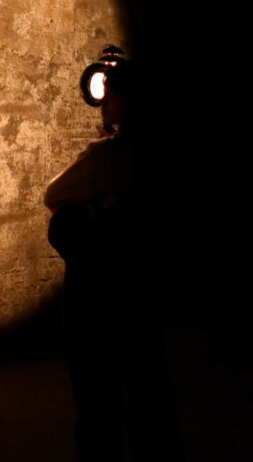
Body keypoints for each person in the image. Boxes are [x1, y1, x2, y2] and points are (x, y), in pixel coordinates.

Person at [44, 47, 183, 462]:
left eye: (111, 94)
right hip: (144, 290)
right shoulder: (163, 151)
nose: (102, 101)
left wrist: (92, 205)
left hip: (96, 296)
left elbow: (54, 194)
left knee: (97, 399)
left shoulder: (107, 156)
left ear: (124, 100)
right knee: (149, 388)